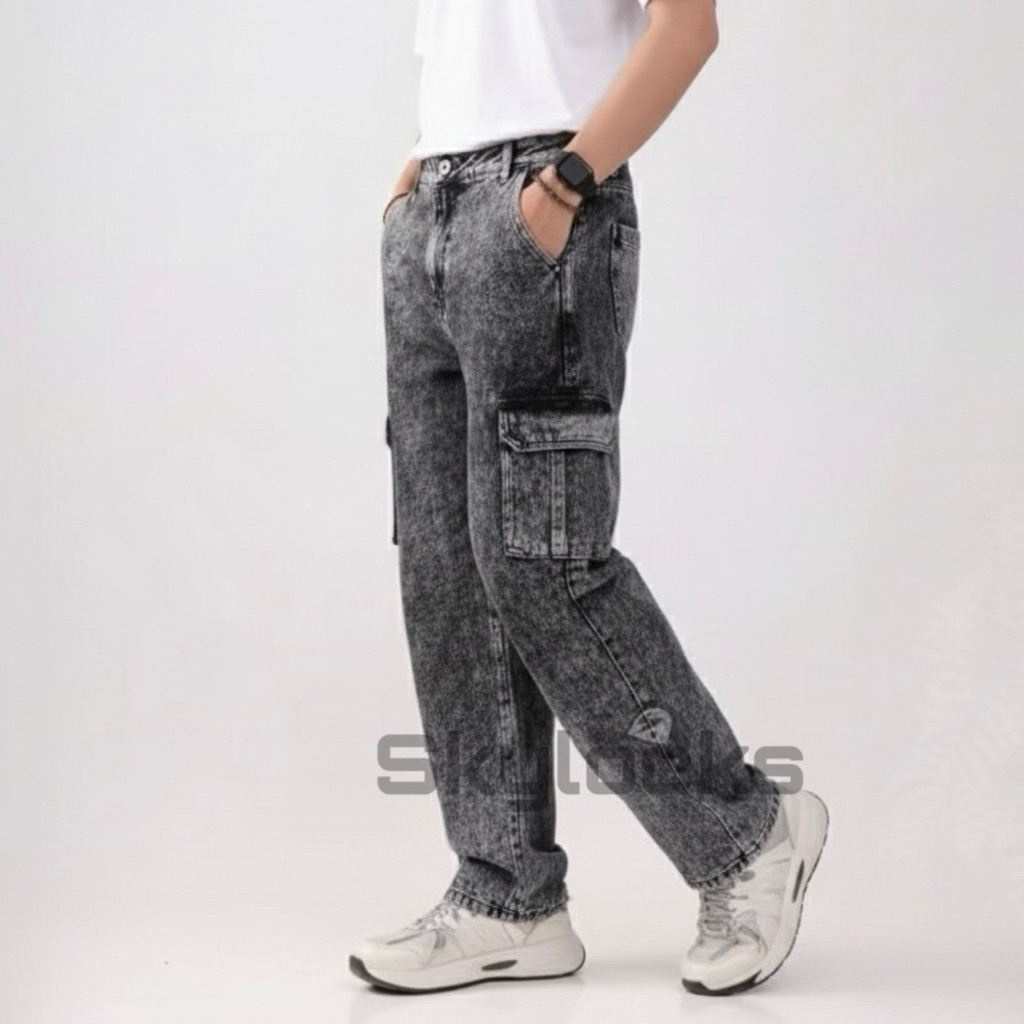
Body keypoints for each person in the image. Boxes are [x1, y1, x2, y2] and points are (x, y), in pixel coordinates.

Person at [350, 0, 829, 997]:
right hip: (433, 208)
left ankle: (747, 836)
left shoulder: (560, 187)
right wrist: (419, 174)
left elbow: (686, 26)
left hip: (545, 202)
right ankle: (506, 894)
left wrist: (568, 179)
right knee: (447, 571)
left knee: (545, 562)